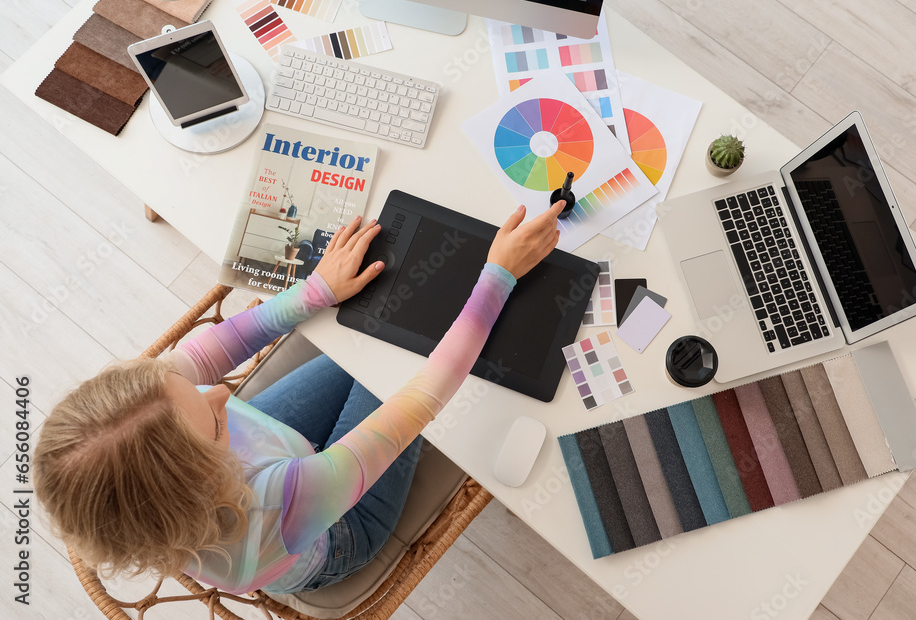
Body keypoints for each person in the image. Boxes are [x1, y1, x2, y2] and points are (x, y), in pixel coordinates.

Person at [34, 201, 564, 595]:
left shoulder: (146, 412)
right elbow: (424, 397)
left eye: (191, 390)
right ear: (202, 479)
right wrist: (498, 277)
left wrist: (317, 292)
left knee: (375, 333)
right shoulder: (278, 504)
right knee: (404, 356)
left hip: (268, 468)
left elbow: (221, 346)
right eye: (214, 423)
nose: (223, 392)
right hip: (336, 531)